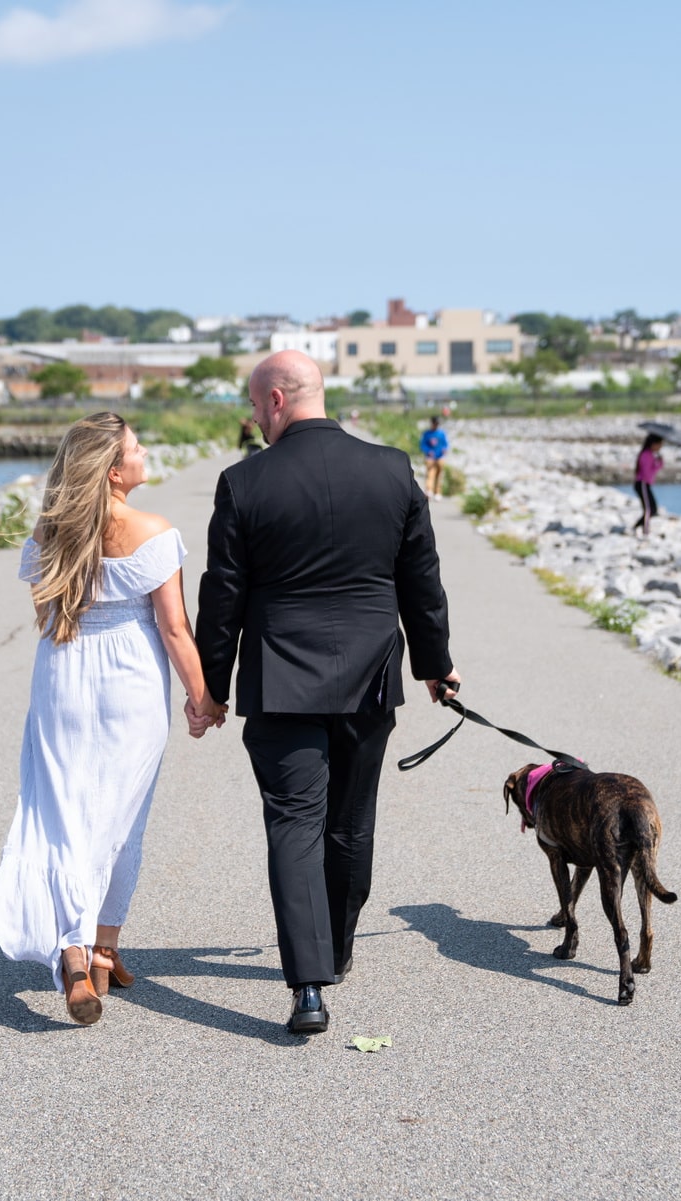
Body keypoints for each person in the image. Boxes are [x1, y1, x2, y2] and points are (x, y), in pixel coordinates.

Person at [196, 351, 457, 1036]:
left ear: (277, 399)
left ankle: (309, 986)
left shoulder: (243, 481)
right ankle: (338, 947)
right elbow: (420, 578)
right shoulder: (390, 468)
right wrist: (436, 665)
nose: (252, 417)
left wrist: (209, 687)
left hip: (281, 680)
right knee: (350, 819)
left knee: (294, 823)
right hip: (370, 677)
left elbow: (222, 596)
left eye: (255, 405)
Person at [0, 412, 219, 1026]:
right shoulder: (154, 532)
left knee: (61, 812)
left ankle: (80, 955)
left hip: (61, 674)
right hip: (131, 682)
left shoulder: (50, 534)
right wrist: (203, 699)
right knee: (119, 816)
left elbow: (48, 607)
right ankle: (101, 947)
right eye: (137, 448)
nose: (145, 454)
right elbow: (173, 628)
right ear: (115, 472)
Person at [633, 433, 663, 538]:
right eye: (659, 444)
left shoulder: (650, 454)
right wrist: (656, 464)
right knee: (649, 508)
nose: (660, 447)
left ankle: (638, 526)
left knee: (653, 508)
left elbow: (653, 469)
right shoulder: (646, 454)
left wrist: (659, 462)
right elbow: (647, 472)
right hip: (642, 484)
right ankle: (645, 530)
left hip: (646, 484)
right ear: (653, 444)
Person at [420, 415, 449, 499]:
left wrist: (444, 449)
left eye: (437, 424)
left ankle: (438, 492)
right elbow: (423, 445)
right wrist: (428, 451)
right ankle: (429, 490)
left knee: (439, 475)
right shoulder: (427, 434)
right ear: (432, 423)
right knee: (430, 474)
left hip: (440, 457)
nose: (436, 425)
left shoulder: (441, 433)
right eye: (435, 423)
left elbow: (445, 444)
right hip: (430, 458)